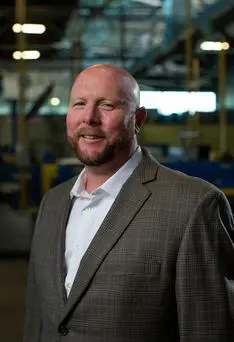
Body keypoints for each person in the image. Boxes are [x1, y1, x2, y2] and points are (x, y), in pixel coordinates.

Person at [24, 64, 234, 342]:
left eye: (107, 105)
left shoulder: (194, 206)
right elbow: (38, 318)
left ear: (138, 119)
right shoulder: (52, 203)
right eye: (79, 104)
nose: (89, 117)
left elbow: (209, 331)